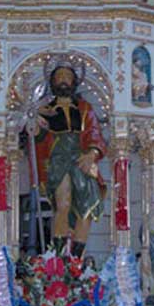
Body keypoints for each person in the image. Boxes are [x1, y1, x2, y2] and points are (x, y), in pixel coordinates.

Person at [35, 65, 108, 258]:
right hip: (58, 158)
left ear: (74, 82)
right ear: (53, 83)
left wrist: (92, 153)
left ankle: (76, 259)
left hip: (81, 157)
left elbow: (94, 132)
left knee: (87, 208)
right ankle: (57, 258)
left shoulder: (84, 108)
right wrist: (35, 128)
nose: (63, 80)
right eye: (59, 77)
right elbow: (38, 140)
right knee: (63, 204)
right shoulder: (44, 110)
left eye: (67, 76)